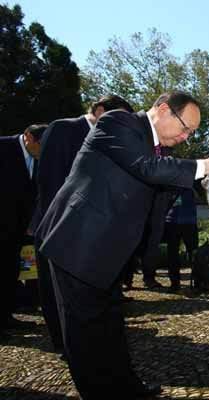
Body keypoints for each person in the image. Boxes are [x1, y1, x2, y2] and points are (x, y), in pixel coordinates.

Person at [34, 91, 209, 399]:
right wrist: (207, 165)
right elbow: (147, 168)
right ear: (162, 109)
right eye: (185, 127)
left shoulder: (154, 147)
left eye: (192, 133)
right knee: (85, 336)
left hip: (108, 251)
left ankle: (127, 389)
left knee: (110, 328)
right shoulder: (119, 122)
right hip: (78, 242)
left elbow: (163, 186)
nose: (186, 137)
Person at [30, 95, 134, 352]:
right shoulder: (64, 129)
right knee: (60, 299)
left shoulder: (113, 138)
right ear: (99, 111)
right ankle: (65, 346)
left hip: (96, 233)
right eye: (117, 117)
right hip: (61, 229)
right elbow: (51, 182)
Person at [0, 124, 47, 341]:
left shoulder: (38, 157)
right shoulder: (5, 147)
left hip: (16, 227)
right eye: (40, 145)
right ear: (28, 136)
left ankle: (6, 316)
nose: (42, 151)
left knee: (11, 271)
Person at [162, 187, 199, 291]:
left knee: (193, 253)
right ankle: (175, 283)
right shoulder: (171, 180)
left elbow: (200, 195)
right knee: (173, 254)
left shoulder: (192, 180)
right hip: (172, 221)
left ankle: (197, 282)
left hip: (188, 221)